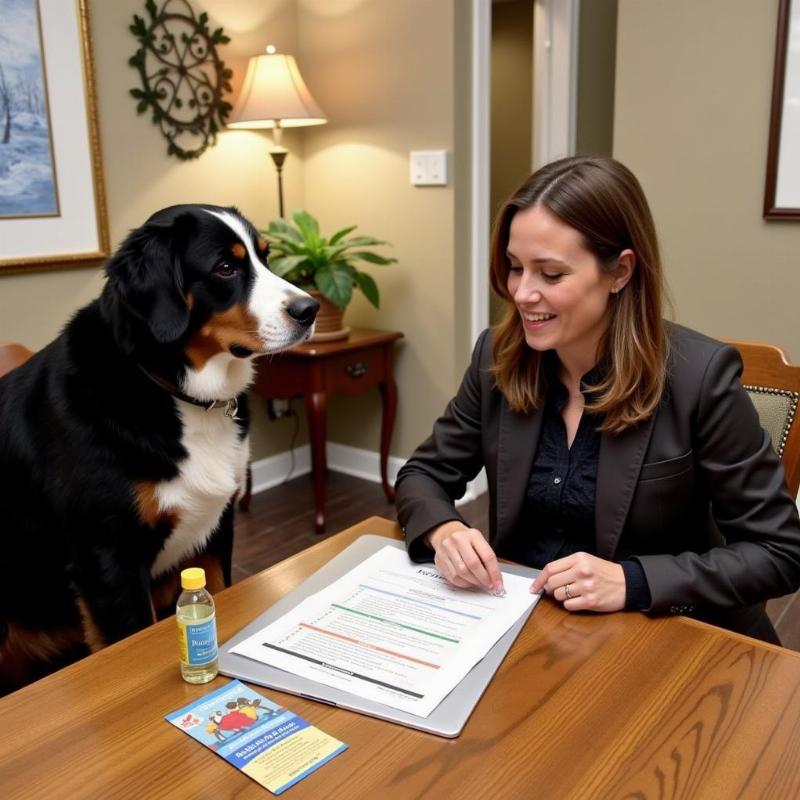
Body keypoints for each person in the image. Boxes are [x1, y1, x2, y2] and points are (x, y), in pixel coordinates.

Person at [395, 156, 800, 643]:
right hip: (525, 624)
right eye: (514, 267)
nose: (522, 293)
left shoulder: (701, 376)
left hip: (667, 635)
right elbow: (422, 475)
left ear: (620, 272)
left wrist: (633, 581)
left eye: (550, 274)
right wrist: (445, 532)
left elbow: (778, 552)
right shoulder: (497, 357)